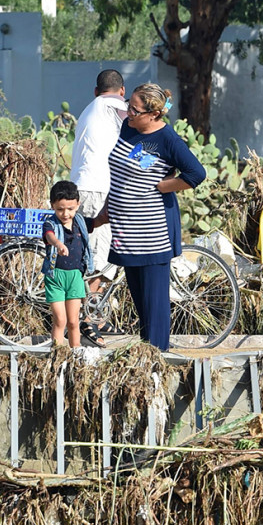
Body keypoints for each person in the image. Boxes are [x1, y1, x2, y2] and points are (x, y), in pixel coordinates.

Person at [103, 83, 206, 351]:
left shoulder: (168, 140)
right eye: (129, 106)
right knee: (140, 302)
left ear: (154, 114)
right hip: (126, 231)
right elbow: (126, 169)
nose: (129, 113)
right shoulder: (130, 128)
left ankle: (158, 356)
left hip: (152, 232)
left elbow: (196, 174)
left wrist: (163, 186)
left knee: (155, 303)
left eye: (135, 110)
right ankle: (145, 354)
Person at [70, 69, 128, 296]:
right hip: (99, 189)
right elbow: (139, 134)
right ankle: (88, 315)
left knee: (90, 253)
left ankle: (95, 317)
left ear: (96, 91)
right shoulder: (118, 107)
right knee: (103, 256)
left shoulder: (89, 109)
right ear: (122, 91)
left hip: (81, 187)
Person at [41, 180, 97, 347]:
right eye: (60, 209)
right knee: (60, 320)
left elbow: (98, 221)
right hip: (55, 277)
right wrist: (58, 243)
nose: (65, 214)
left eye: (70, 209)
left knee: (73, 321)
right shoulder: (50, 223)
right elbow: (49, 235)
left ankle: (76, 353)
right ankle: (56, 354)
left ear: (77, 205)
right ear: (53, 206)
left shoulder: (80, 222)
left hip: (75, 276)